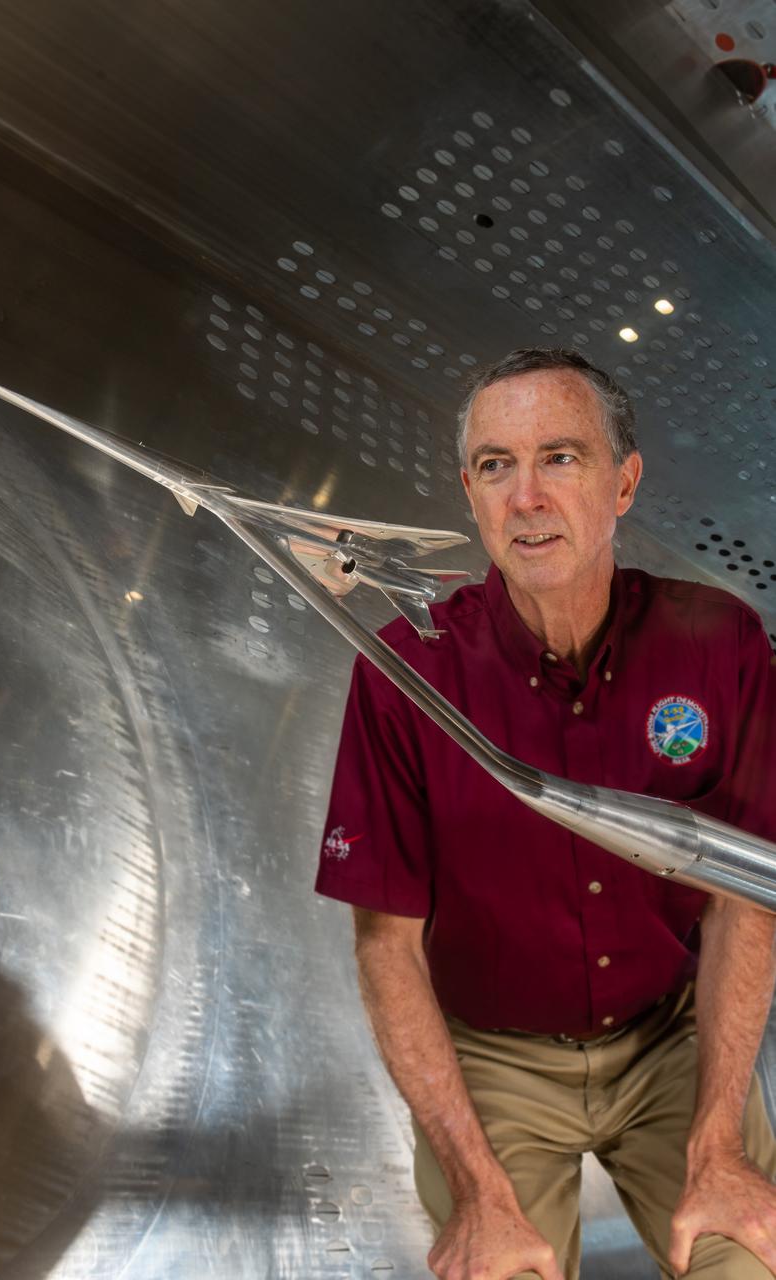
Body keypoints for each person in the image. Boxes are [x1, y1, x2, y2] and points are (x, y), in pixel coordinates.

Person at [314, 348, 776, 1280]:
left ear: (623, 483)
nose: (525, 496)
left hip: (672, 1042)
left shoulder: (718, 641)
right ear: (470, 491)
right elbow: (386, 949)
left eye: (559, 458)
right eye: (495, 465)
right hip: (490, 1061)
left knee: (748, 1262)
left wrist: (718, 1147)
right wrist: (479, 1192)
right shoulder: (405, 670)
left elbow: (743, 899)